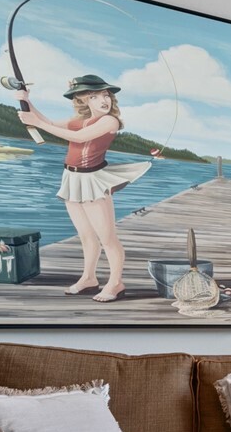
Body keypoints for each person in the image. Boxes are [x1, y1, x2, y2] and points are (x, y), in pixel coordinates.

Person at [13, 73, 147, 302]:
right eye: (94, 97)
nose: (103, 100)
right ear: (83, 99)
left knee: (107, 237)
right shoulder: (80, 120)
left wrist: (37, 123)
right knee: (85, 235)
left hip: (92, 180)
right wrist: (26, 100)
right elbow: (49, 123)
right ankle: (89, 278)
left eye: (105, 95)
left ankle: (115, 283)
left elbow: (78, 137)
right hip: (71, 179)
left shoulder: (109, 121)